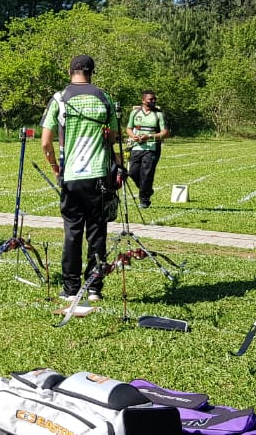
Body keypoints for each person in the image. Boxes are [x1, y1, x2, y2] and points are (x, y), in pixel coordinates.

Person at [40, 55, 122, 303]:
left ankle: (70, 288)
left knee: (72, 233)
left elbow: (45, 142)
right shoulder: (104, 98)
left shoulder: (59, 98)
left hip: (72, 177)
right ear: (92, 73)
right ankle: (94, 287)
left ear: (70, 71)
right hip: (99, 176)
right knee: (97, 233)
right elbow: (113, 137)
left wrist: (55, 167)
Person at [126, 89, 169, 209]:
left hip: (152, 148)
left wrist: (149, 136)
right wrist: (133, 136)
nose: (153, 101)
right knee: (132, 172)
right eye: (151, 99)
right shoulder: (134, 113)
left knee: (146, 174)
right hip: (136, 147)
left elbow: (165, 133)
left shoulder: (159, 114)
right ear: (143, 100)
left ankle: (144, 200)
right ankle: (147, 189)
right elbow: (128, 128)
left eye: (155, 99)